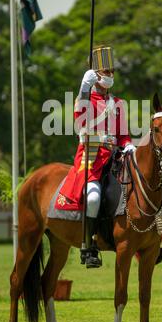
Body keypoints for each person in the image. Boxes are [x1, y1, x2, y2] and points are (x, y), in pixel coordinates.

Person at [55, 46, 135, 268]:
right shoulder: (86, 99)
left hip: (115, 156)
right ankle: (87, 246)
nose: (110, 76)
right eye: (105, 72)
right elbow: (80, 122)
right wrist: (83, 88)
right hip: (91, 154)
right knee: (92, 197)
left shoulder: (118, 103)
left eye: (111, 71)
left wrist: (129, 146)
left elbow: (124, 135)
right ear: (95, 75)